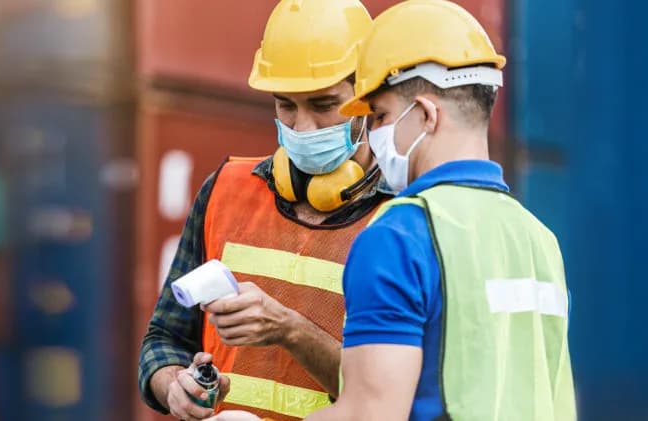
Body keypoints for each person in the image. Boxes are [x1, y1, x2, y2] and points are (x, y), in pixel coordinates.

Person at [207, 1, 577, 420]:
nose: (375, 134)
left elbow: (371, 414)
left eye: (379, 115)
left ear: (425, 114)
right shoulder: (539, 240)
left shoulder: (401, 235)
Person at [136, 1, 390, 420]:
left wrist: (290, 330)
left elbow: (392, 397)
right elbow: (163, 339)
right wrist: (173, 385)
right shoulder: (224, 189)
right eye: (286, 105)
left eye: (323, 104)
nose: (302, 127)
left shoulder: (403, 219)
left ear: (369, 99)